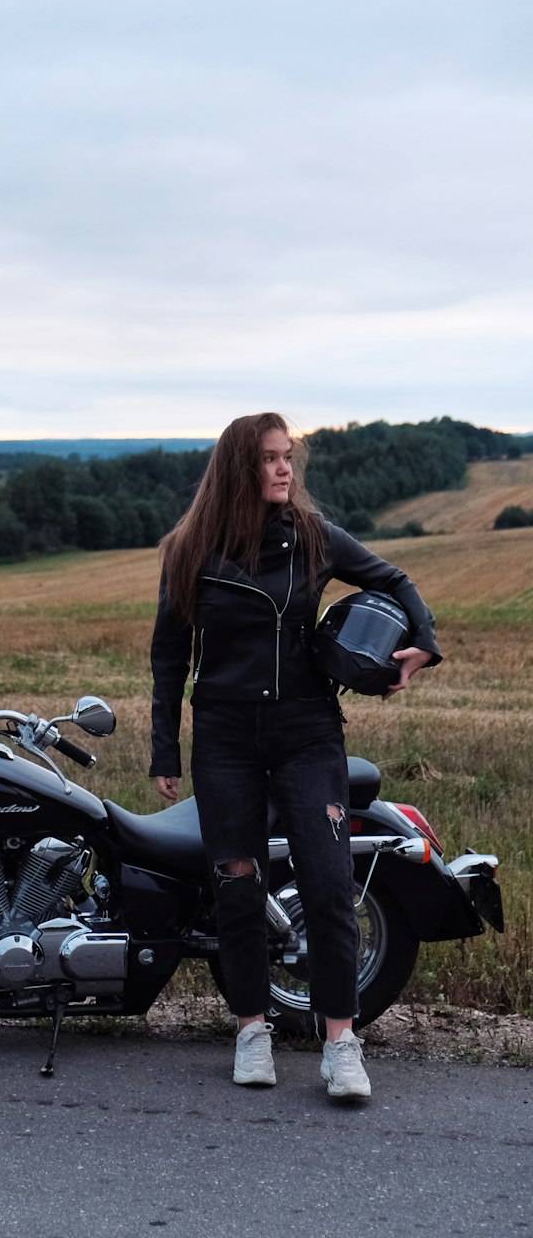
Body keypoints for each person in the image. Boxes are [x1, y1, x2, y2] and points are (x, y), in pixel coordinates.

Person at [149, 412, 441, 1100]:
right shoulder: (189, 549)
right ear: (238, 469)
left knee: (327, 882)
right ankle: (253, 1029)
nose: (285, 470)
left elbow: (395, 581)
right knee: (237, 883)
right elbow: (168, 658)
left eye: (289, 458)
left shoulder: (312, 537)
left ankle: (341, 1041)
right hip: (223, 738)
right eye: (271, 459)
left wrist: (421, 643)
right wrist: (166, 747)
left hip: (308, 731)